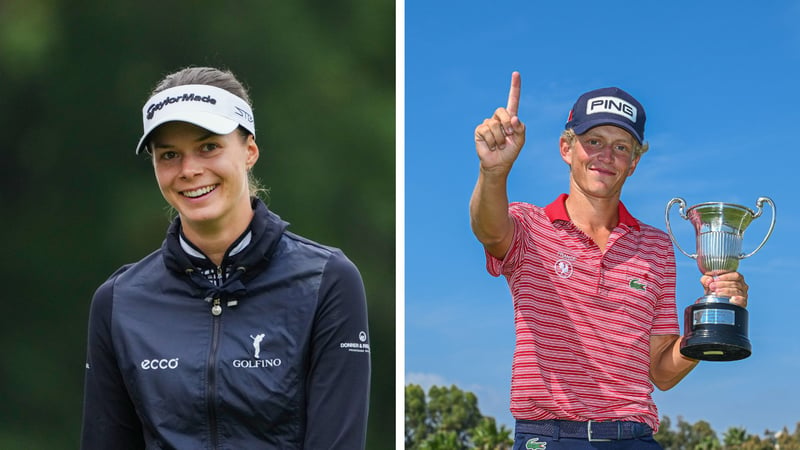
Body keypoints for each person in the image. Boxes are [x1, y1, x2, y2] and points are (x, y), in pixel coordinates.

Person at [80, 66, 371, 449]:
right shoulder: (119, 300)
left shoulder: (327, 280)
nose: (189, 170)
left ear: (249, 151)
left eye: (208, 147)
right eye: (169, 154)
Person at [469, 72, 749, 449]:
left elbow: (661, 372)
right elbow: (488, 229)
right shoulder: (528, 225)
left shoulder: (656, 247)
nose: (606, 156)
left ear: (634, 162)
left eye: (621, 147)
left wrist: (711, 324)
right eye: (594, 141)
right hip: (550, 435)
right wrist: (493, 172)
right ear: (566, 148)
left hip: (633, 435)